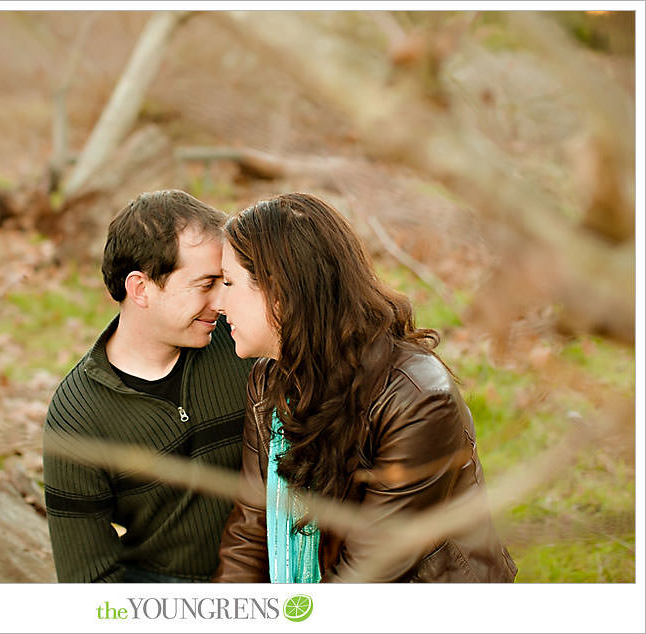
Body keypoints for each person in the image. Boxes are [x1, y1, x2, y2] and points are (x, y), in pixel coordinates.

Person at [212, 192, 517, 583]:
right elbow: (252, 526)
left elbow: (368, 575)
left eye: (228, 282)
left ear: (279, 292)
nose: (218, 302)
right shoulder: (270, 378)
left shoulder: (416, 399)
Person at [43, 190, 255, 583]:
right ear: (140, 288)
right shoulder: (78, 417)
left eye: (225, 281)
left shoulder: (243, 342)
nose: (222, 301)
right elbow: (88, 580)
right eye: (206, 284)